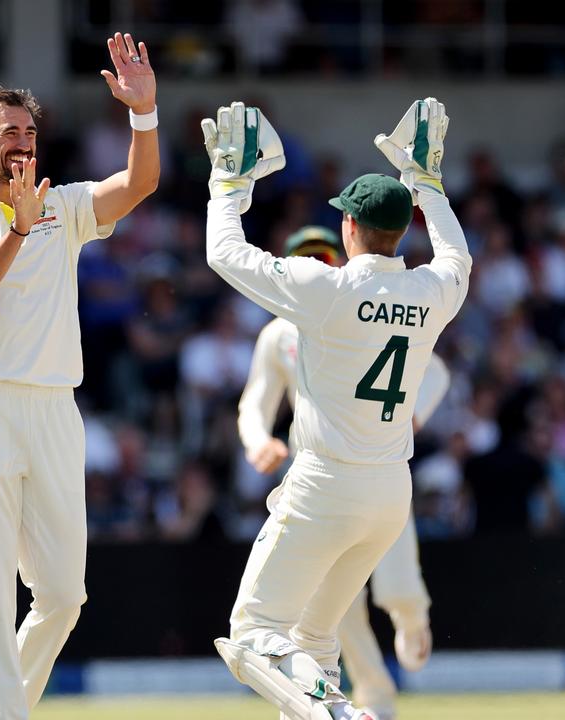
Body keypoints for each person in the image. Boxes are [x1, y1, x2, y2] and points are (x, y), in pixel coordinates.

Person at [0, 32, 160, 720]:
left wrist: (142, 114)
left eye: (30, 130)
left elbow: (140, 184)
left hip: (56, 408)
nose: (23, 142)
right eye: (9, 131)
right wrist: (17, 231)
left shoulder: (65, 202)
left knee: (62, 595)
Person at [204, 99, 470, 720]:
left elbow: (226, 254)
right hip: (388, 493)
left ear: (348, 229)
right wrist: (429, 186)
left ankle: (344, 716)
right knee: (316, 643)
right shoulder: (434, 291)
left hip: (324, 484)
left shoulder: (326, 290)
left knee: (251, 636)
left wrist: (229, 184)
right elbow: (458, 256)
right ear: (401, 232)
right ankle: (340, 705)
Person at [237, 225, 449, 720]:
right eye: (306, 260)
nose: (319, 266)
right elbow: (255, 402)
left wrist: (415, 413)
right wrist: (258, 441)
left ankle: (411, 615)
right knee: (333, 612)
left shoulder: (364, 304)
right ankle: (372, 699)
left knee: (394, 582)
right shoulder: (278, 334)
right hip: (323, 477)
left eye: (325, 256)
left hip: (382, 462)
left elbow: (435, 371)